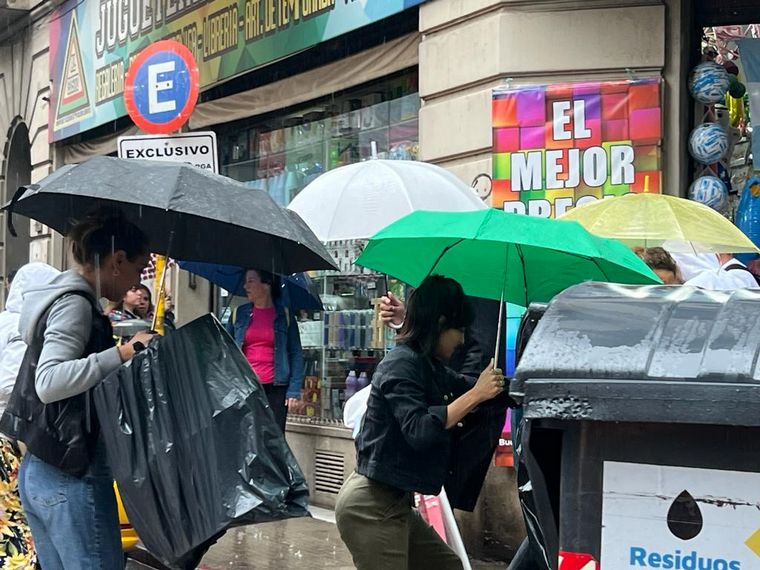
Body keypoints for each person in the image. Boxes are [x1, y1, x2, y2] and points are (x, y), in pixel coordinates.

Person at [1, 213, 153, 570]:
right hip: (69, 472)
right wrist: (124, 352)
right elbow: (50, 382)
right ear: (117, 260)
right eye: (139, 269)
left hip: (43, 466)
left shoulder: (63, 299)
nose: (138, 281)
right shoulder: (75, 304)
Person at [336, 275, 507, 570]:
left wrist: (510, 388)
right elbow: (420, 430)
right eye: (459, 330)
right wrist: (476, 394)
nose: (462, 340)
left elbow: (464, 386)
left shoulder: (427, 365)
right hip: (370, 508)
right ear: (440, 323)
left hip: (396, 502)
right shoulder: (400, 365)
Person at [0, 262, 60, 568]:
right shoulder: (22, 329)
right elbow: (10, 382)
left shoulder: (5, 322)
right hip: (11, 436)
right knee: (16, 521)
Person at [226, 269, 304, 433]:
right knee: (247, 439)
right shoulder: (238, 315)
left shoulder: (285, 316)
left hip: (276, 389)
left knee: (274, 438)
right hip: (245, 388)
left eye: (251, 281)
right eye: (245, 281)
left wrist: (294, 391)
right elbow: (226, 352)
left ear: (266, 284)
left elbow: (296, 353)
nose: (246, 286)